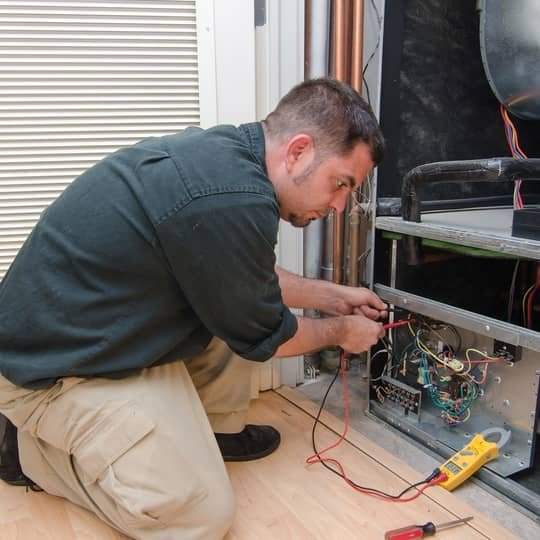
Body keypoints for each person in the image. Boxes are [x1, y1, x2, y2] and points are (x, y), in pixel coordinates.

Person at [0, 77, 387, 539]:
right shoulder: (234, 200)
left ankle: (213, 433)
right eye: (341, 184)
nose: (341, 205)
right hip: (47, 372)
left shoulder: (230, 159)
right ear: (299, 151)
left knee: (232, 308)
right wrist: (340, 332)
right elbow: (272, 334)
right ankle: (23, 451)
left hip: (94, 334)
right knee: (198, 516)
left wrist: (332, 296)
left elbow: (242, 275)